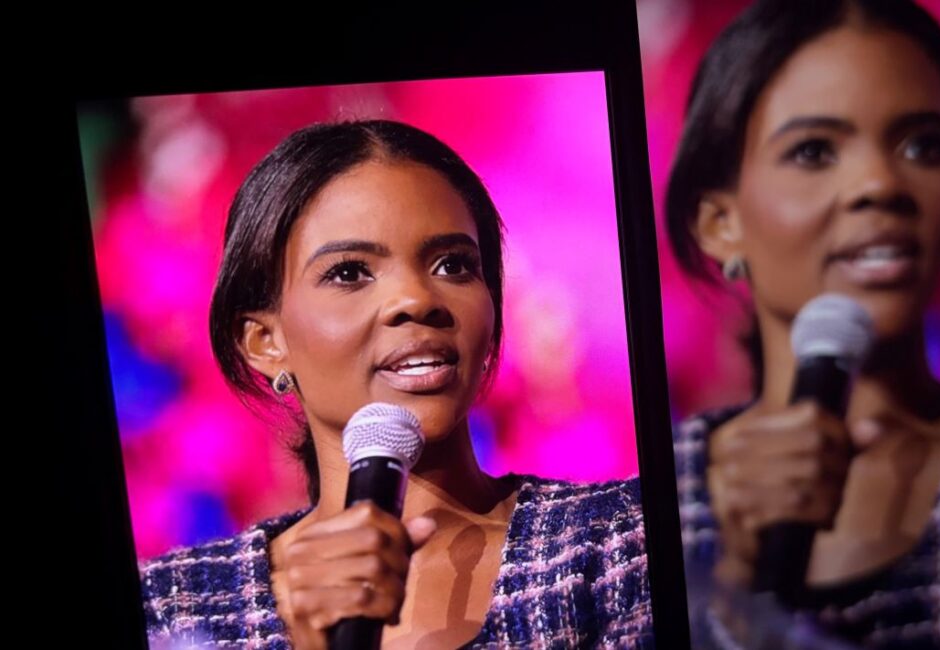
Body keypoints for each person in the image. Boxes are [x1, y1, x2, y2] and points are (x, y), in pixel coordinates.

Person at [664, 1, 940, 648]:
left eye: (923, 146)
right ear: (719, 223)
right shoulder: (651, 503)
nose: (880, 183)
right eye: (814, 151)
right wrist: (726, 586)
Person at [138, 120, 654, 649]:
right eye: (349, 273)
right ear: (266, 342)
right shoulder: (171, 606)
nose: (416, 299)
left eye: (453, 265)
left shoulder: (623, 540)